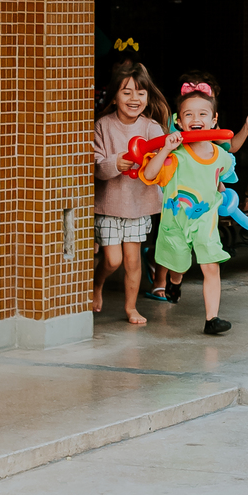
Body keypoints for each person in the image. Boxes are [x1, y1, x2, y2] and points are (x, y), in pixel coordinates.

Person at [140, 73, 248, 333]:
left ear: (214, 119)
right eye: (188, 115)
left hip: (205, 224)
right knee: (178, 266)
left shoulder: (221, 156)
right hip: (175, 224)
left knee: (211, 266)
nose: (196, 119)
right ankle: (174, 283)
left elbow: (219, 180)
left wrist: (222, 192)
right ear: (178, 122)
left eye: (202, 114)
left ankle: (212, 319)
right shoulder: (175, 155)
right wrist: (164, 148)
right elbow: (150, 175)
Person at [92, 58, 171, 325]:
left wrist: (164, 152)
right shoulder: (103, 126)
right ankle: (97, 283)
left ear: (148, 97)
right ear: (114, 97)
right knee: (112, 260)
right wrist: (116, 162)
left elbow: (161, 168)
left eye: (140, 92)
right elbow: (98, 168)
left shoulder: (152, 128)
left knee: (133, 262)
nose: (134, 98)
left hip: (139, 206)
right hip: (110, 205)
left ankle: (131, 308)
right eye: (126, 92)